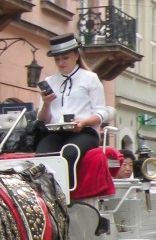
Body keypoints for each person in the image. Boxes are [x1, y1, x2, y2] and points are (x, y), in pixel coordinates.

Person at [34, 34, 113, 188]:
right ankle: (46, 196)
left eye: (65, 58)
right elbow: (43, 119)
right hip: (56, 131)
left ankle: (67, 196)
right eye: (57, 59)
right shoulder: (50, 81)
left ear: (76, 55)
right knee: (42, 155)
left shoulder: (90, 78)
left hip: (85, 131)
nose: (61, 63)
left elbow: (101, 113)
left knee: (69, 153)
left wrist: (83, 122)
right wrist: (46, 104)